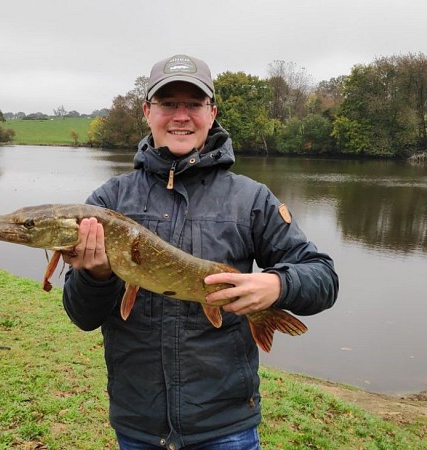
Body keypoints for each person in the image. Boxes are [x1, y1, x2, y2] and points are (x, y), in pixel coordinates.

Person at [61, 54, 338, 450]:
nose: (181, 116)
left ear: (211, 113)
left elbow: (324, 277)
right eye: (167, 103)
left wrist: (276, 286)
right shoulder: (109, 202)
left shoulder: (250, 199)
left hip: (226, 426)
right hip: (139, 424)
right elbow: (82, 316)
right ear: (147, 112)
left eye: (193, 104)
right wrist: (96, 275)